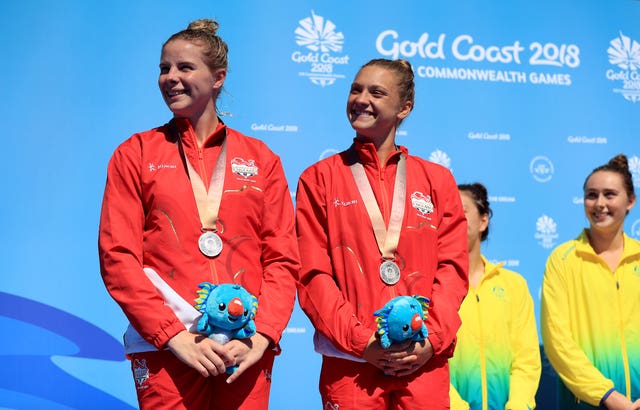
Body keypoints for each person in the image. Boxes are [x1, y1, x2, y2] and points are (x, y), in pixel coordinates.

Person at [98, 19, 299, 409]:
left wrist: (262, 336)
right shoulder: (135, 153)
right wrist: (172, 335)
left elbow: (282, 258)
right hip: (167, 348)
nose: (170, 78)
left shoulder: (261, 159)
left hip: (243, 347)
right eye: (163, 68)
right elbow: (118, 257)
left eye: (184, 68)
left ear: (218, 77)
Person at [295, 58, 469, 409]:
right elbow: (312, 274)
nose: (361, 99)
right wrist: (363, 342)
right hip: (352, 365)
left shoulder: (437, 180)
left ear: (404, 108)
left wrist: (430, 340)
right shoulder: (319, 178)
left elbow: (452, 270)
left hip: (423, 363)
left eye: (376, 92)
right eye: (356, 89)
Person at [541, 154, 640, 410]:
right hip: (586, 404)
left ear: (630, 201)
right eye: (591, 195)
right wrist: (608, 396)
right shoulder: (562, 260)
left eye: (610, 194)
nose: (599, 203)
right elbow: (557, 341)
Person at [449, 183, 541, 410]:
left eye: (461, 210)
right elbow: (428, 365)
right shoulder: (429, 287)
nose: (451, 219)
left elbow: (526, 360)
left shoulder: (513, 285)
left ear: (483, 220)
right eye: (446, 213)